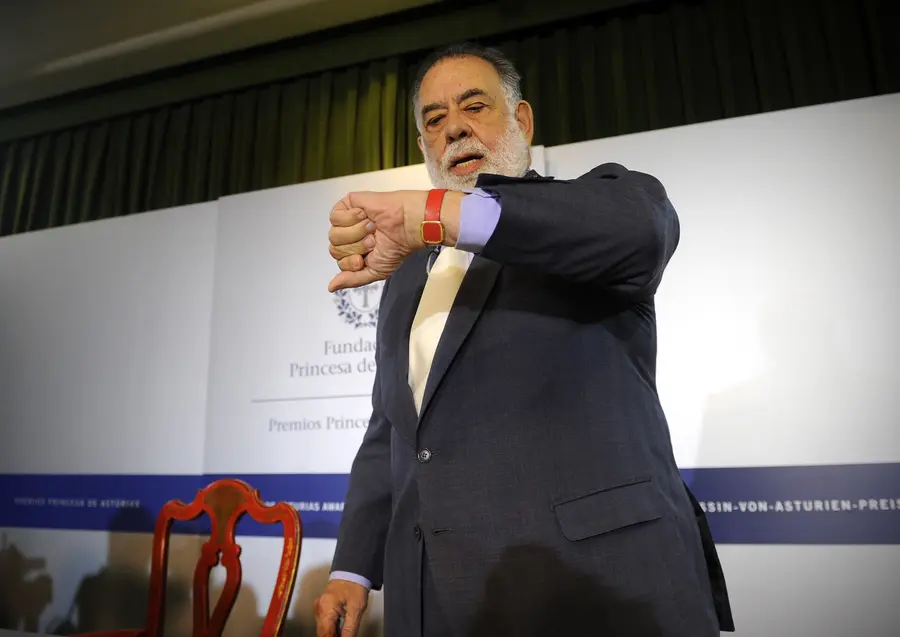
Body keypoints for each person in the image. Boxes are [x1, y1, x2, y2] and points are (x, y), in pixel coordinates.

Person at [315, 42, 734, 637]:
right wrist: (352, 568)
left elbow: (642, 230)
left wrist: (436, 214)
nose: (453, 127)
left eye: (474, 106)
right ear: (423, 145)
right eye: (434, 119)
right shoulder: (405, 275)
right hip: (435, 601)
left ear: (523, 120)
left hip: (594, 594)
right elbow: (391, 430)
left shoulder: (589, 213)